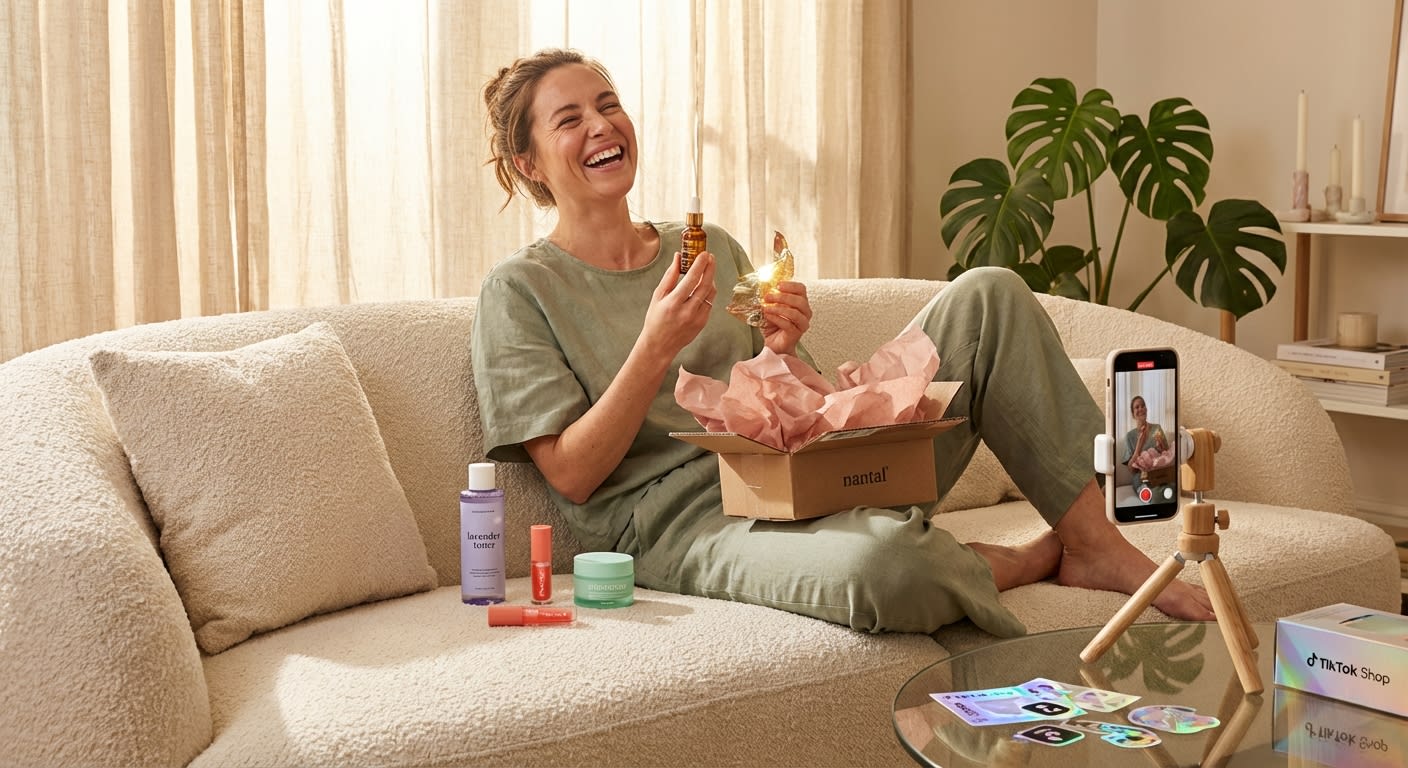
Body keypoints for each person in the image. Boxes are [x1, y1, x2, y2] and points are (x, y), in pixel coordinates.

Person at [472, 48, 1213, 636]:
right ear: (529, 163)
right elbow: (570, 476)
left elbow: (801, 406)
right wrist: (653, 348)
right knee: (888, 568)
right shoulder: (519, 292)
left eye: (609, 105)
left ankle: (1094, 546)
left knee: (989, 293)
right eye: (569, 119)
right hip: (681, 523)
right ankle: (1010, 562)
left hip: (798, 472)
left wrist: (787, 348)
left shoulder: (709, 248)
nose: (602, 126)